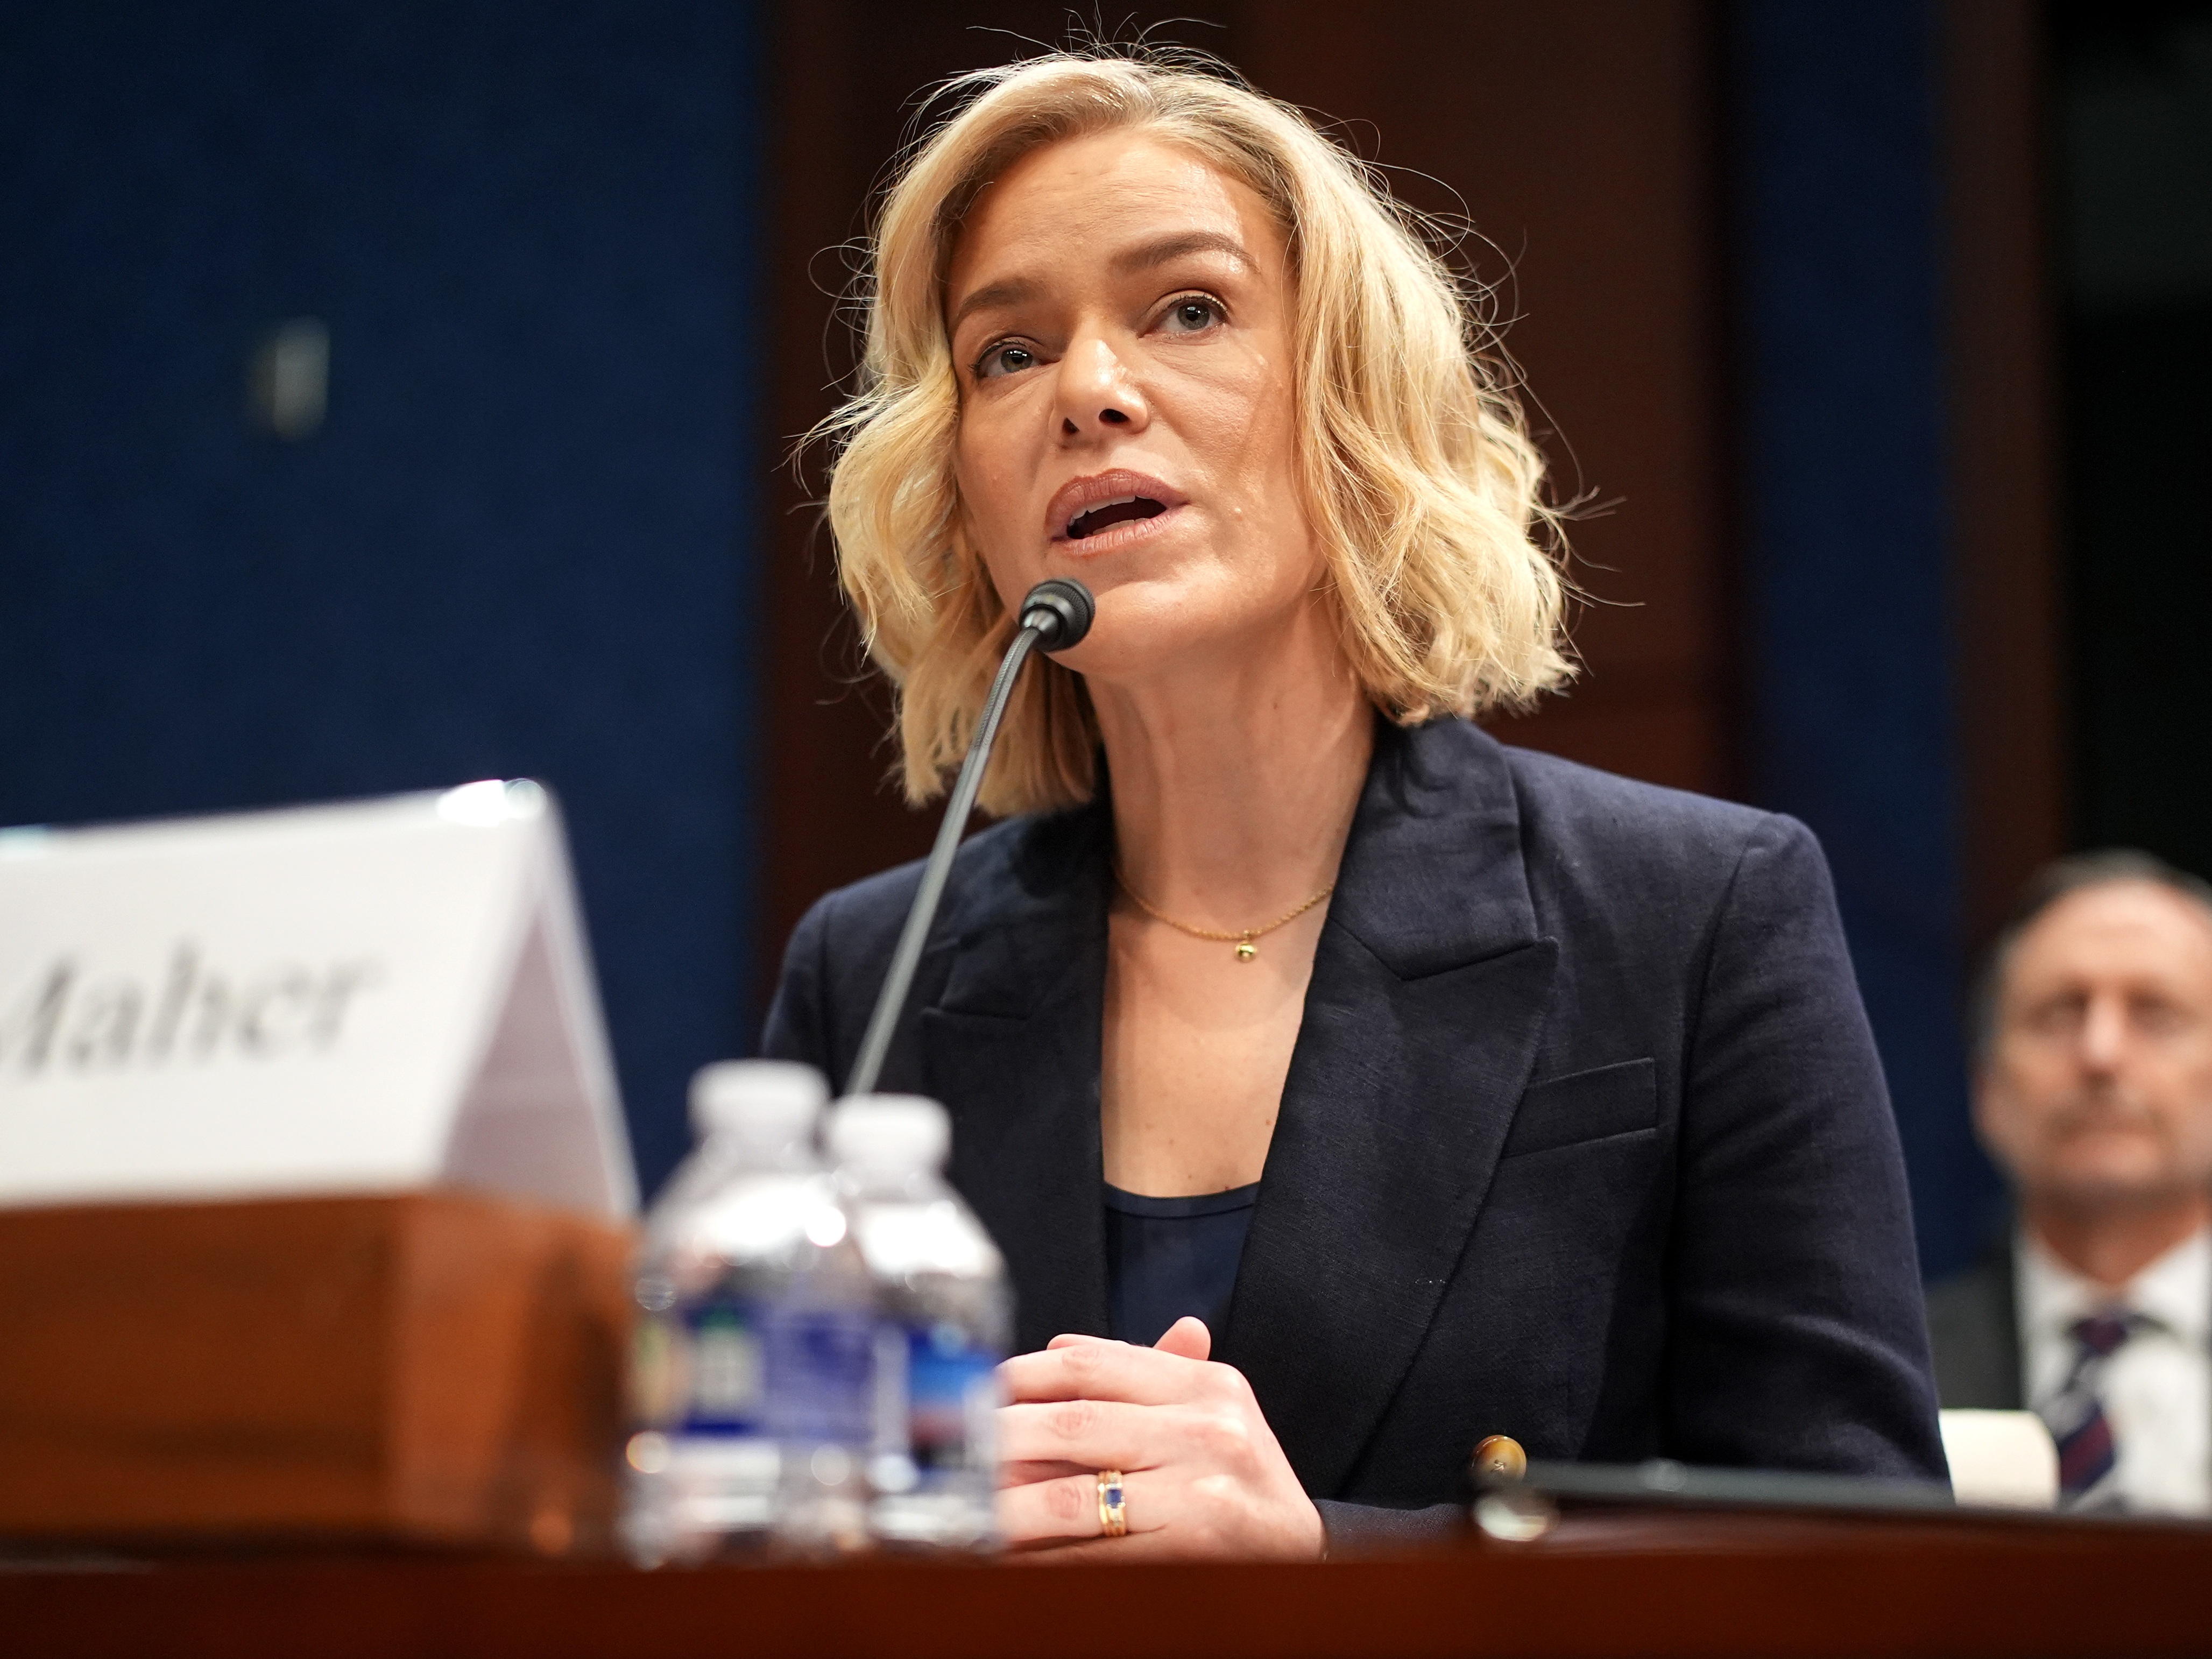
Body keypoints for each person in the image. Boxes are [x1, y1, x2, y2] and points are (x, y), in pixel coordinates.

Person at [763, 49, 1944, 1557]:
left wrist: (1330, 1566)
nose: (1089, 392)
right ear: (961, 491)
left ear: (1345, 398)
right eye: (1006, 352)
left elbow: (1864, 1561)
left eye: (1185, 309)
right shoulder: (870, 980)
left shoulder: (1692, 915)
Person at [1926, 851, 2212, 1515]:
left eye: (2155, 1013)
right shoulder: (1890, 1380)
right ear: (1987, 1087)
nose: (2100, 1053)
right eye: (2058, 1013)